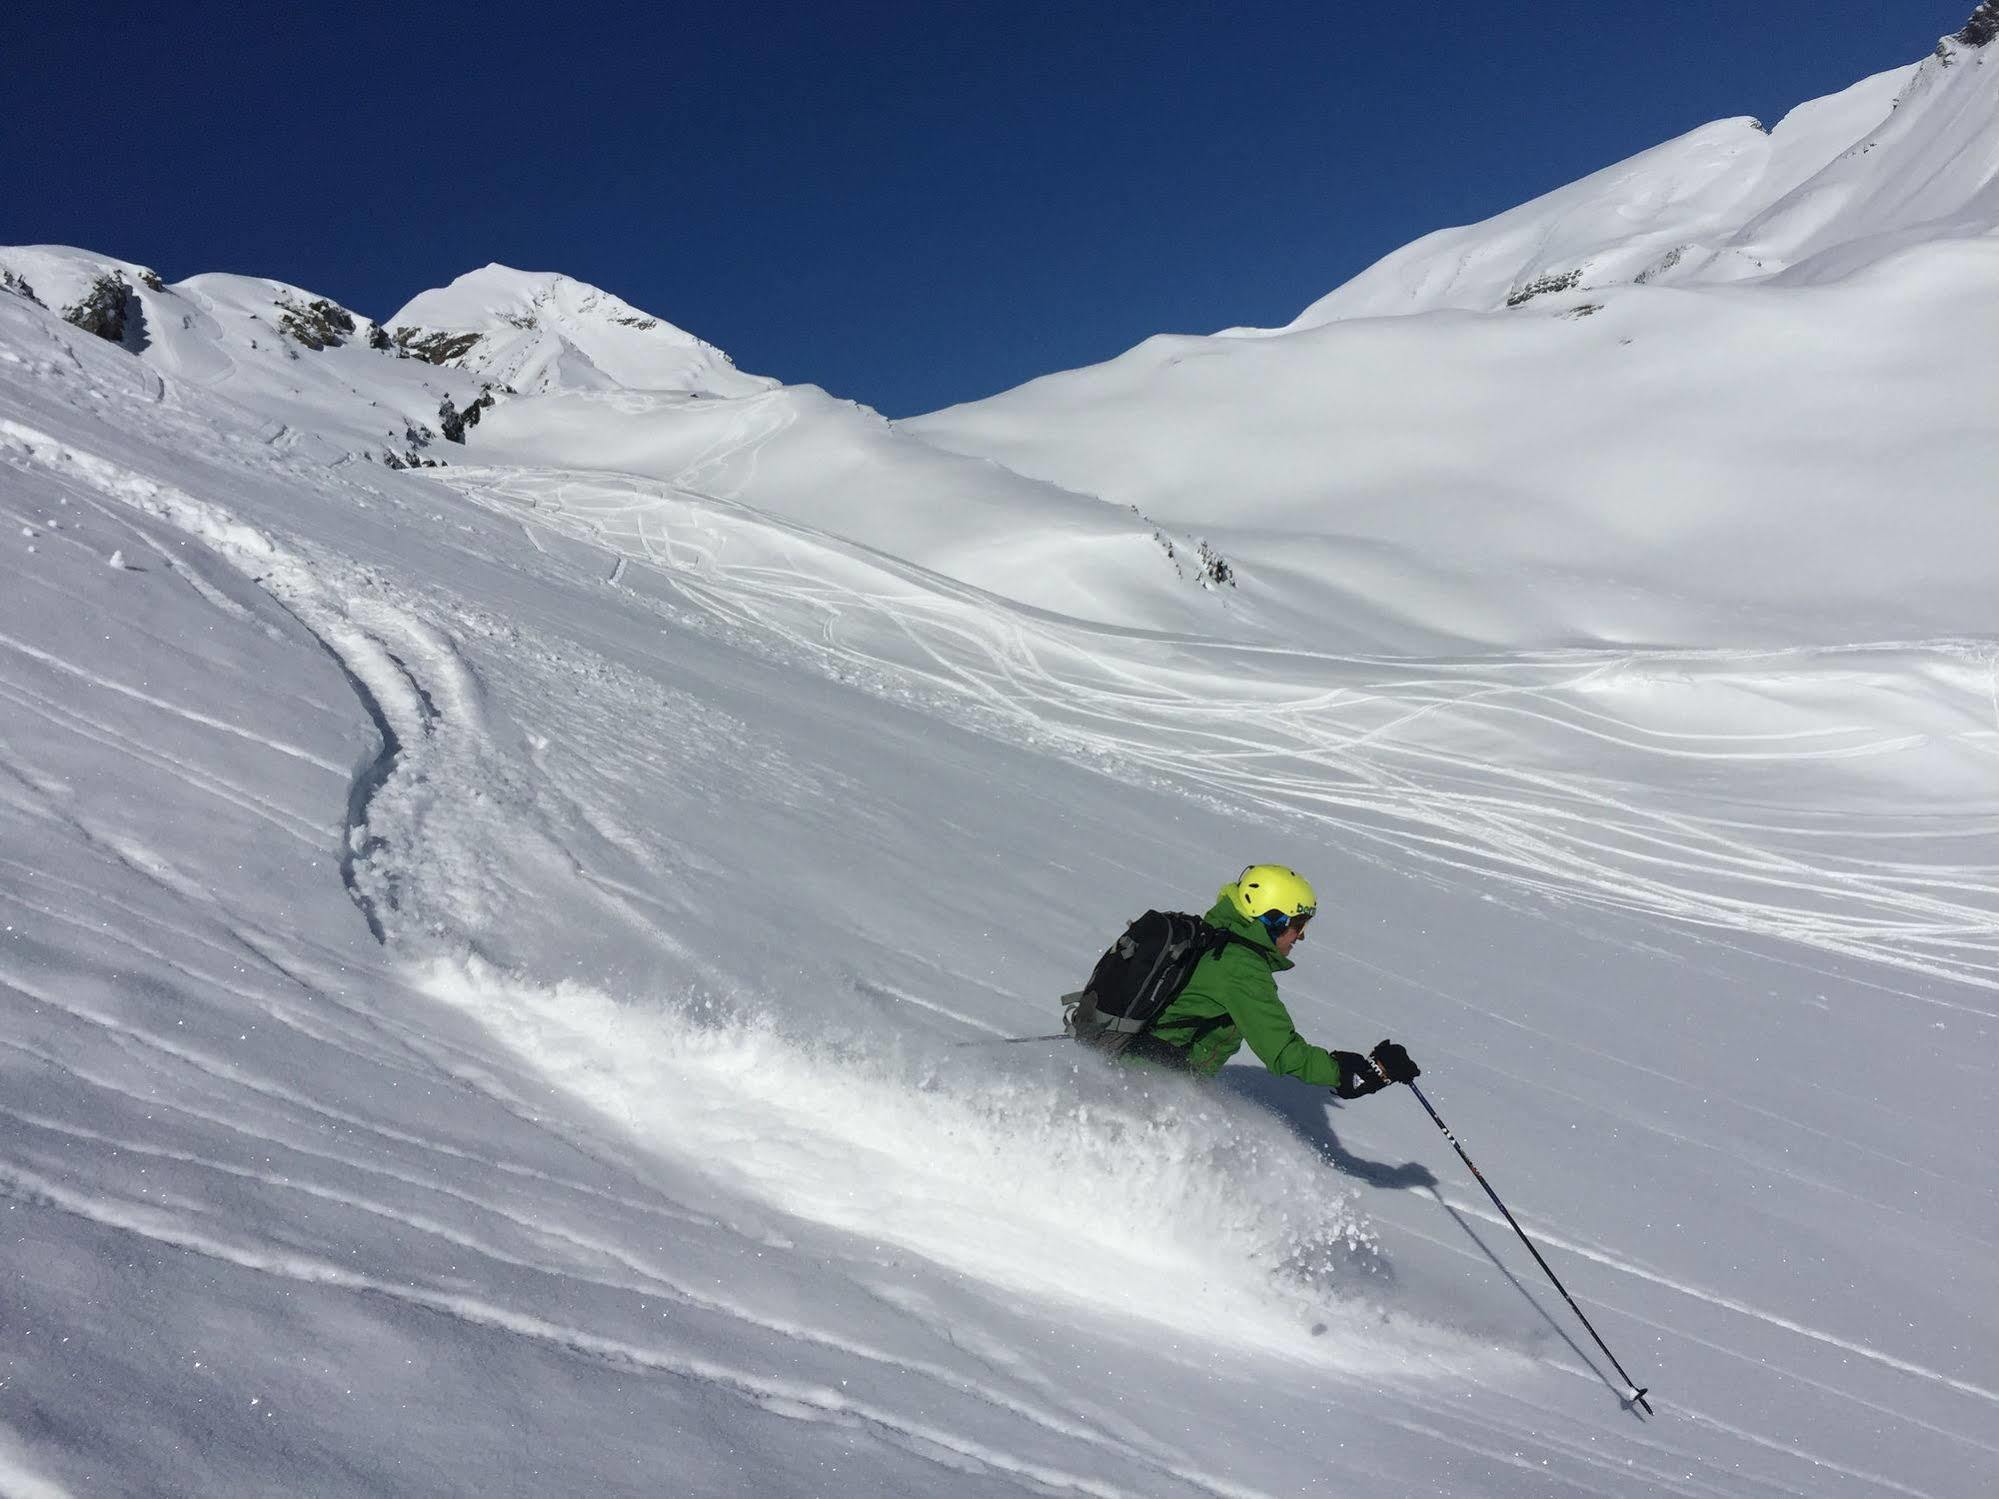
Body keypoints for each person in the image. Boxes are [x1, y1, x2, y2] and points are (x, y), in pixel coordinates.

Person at [1123, 864, 1420, 1098]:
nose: (1301, 935)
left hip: (1137, 1065)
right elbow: (1284, 1053)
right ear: (1273, 919)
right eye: (1298, 924)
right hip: (1148, 1083)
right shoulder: (1240, 967)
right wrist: (1360, 1073)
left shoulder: (1218, 934)